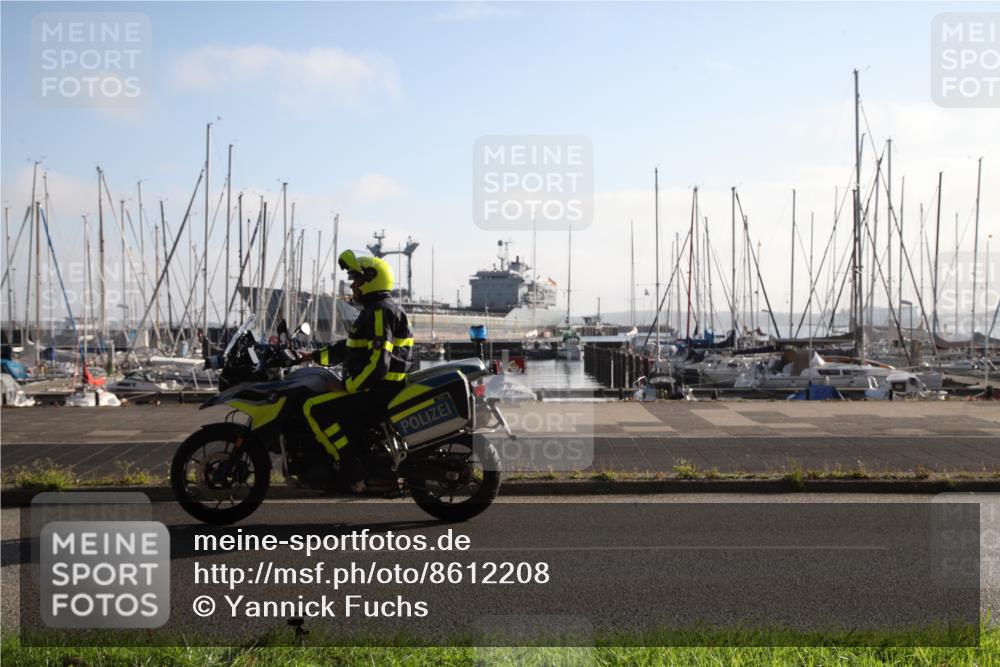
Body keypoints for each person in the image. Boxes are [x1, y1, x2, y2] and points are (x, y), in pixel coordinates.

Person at [300, 250, 415, 492]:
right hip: (379, 388)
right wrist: (313, 357)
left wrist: (346, 386)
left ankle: (350, 469)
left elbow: (378, 362)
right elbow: (351, 348)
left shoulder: (380, 311)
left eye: (356, 279)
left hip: (379, 391)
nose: (352, 285)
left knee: (313, 408)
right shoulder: (376, 310)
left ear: (371, 279)